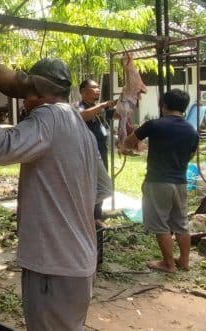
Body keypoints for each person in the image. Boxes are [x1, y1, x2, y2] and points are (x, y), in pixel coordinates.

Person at [0, 58, 112, 331]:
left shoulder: (49, 115)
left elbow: (3, 148)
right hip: (80, 263)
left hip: (53, 266)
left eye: (27, 96)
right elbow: (104, 189)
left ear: (40, 93)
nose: (25, 103)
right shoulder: (80, 126)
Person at [123, 89, 198, 273]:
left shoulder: (154, 125)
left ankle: (169, 264)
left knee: (160, 224)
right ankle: (185, 261)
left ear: (164, 105)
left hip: (157, 181)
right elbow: (191, 155)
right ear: (184, 108)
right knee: (181, 224)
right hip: (180, 182)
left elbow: (127, 143)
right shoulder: (191, 130)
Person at [77, 79, 116, 269]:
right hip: (87, 162)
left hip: (101, 160)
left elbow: (118, 115)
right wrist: (102, 105)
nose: (98, 90)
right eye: (94, 87)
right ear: (83, 91)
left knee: (98, 204)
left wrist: (127, 100)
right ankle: (86, 255)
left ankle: (97, 258)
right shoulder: (80, 108)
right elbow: (81, 116)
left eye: (98, 88)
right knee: (90, 204)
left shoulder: (99, 110)